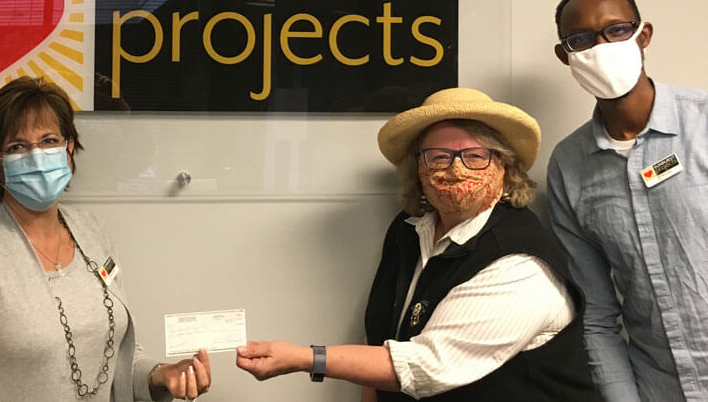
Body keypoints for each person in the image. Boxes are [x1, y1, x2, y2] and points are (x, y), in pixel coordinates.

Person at [236, 88, 598, 401]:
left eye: (475, 156)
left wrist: (306, 358)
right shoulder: (409, 232)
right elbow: (381, 341)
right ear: (418, 170)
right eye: (439, 156)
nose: (455, 169)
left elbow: (427, 363)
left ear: (505, 168)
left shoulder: (521, 263)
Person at [0, 77, 211, 402]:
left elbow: (113, 355)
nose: (37, 156)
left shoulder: (93, 233)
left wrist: (161, 375)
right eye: (17, 147)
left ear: (69, 147)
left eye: (49, 140)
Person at [548, 0, 708, 401]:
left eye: (617, 30)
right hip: (659, 385)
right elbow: (596, 314)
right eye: (582, 39)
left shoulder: (703, 125)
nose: (602, 47)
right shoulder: (569, 165)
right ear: (566, 55)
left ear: (644, 35)